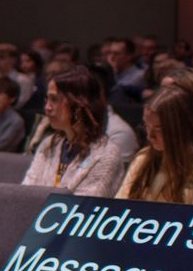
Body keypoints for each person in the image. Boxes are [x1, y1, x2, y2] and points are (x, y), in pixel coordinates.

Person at [118, 83, 193, 206]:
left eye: (159, 129)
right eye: (147, 126)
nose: (150, 136)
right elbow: (119, 208)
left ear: (184, 128)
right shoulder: (144, 158)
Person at [24, 65, 126, 196]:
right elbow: (25, 194)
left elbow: (82, 208)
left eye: (54, 99)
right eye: (47, 99)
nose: (47, 107)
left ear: (78, 104)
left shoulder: (106, 156)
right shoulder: (49, 144)